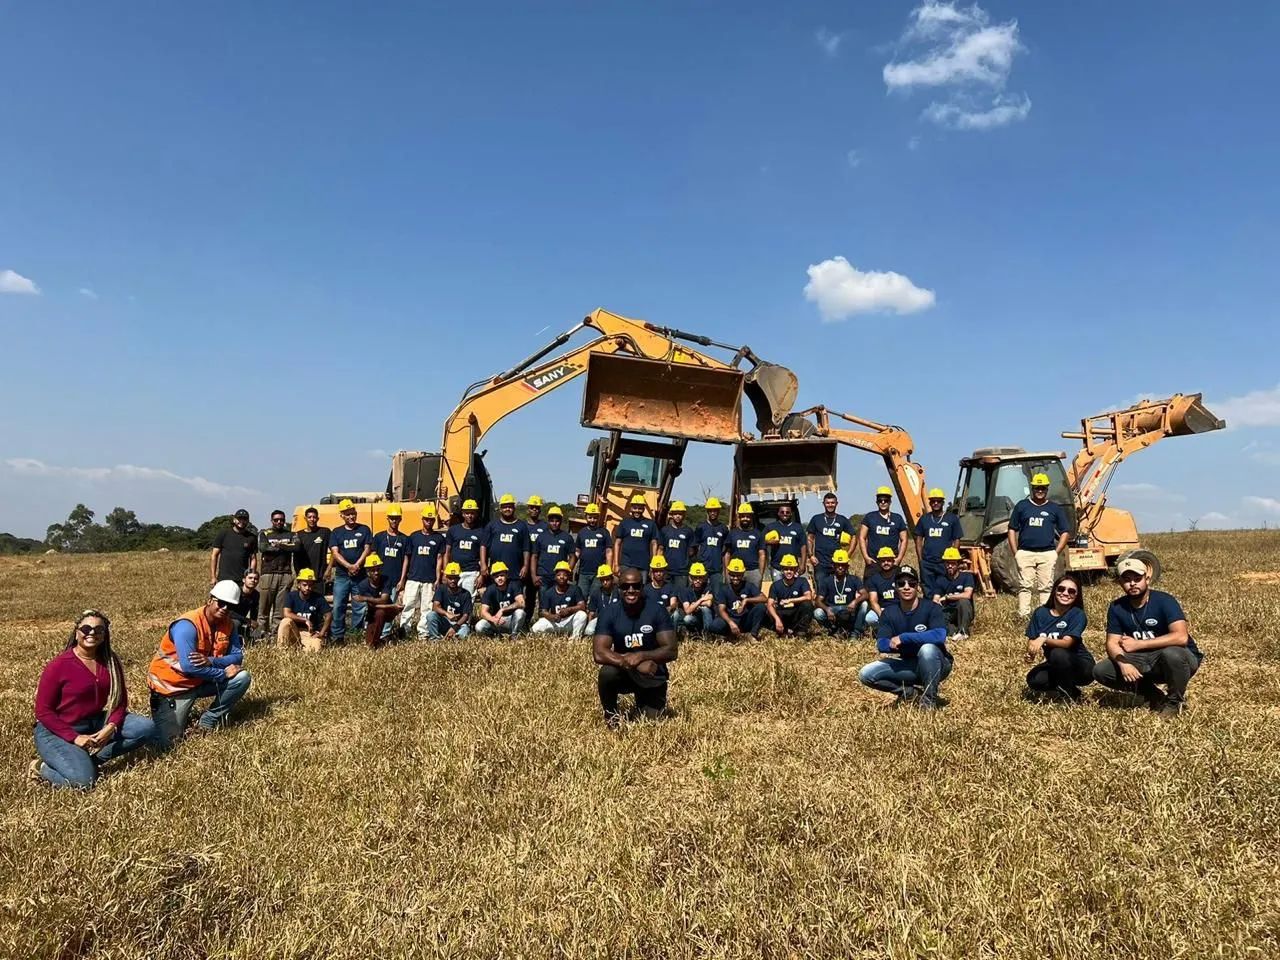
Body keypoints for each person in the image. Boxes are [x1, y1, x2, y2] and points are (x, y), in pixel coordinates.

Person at [30, 610, 159, 788]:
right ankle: (41, 768)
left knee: (146, 728)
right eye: (86, 628)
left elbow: (120, 702)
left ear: (105, 635)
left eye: (99, 629)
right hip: (57, 730)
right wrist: (75, 738)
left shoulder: (110, 662)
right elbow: (43, 712)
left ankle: (92, 761)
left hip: (95, 721)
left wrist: (110, 727)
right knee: (85, 782)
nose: (92, 633)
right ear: (77, 633)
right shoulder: (58, 665)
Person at [1093, 558, 1203, 716]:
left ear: (1147, 579)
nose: (1132, 584)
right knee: (1102, 670)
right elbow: (1112, 642)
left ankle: (1174, 702)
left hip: (1179, 659)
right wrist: (1123, 663)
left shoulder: (1165, 601)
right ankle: (1153, 695)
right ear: (1120, 582)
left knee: (1172, 654)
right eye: (1127, 580)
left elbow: (1181, 637)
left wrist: (1139, 645)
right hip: (1143, 659)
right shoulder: (1116, 607)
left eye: (1137, 579)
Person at [147, 580, 252, 746]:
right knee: (168, 744)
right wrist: (223, 673)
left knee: (242, 677)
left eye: (230, 606)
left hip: (200, 680)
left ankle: (209, 719)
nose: (225, 609)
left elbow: (238, 657)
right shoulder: (187, 625)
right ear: (210, 599)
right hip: (173, 688)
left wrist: (211, 661)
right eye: (221, 603)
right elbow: (189, 666)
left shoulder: (229, 625)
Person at [592, 568, 679, 728]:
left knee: (650, 725)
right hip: (624, 672)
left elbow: (671, 650)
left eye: (635, 586)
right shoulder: (609, 612)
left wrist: (641, 657)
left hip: (652, 674)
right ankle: (611, 717)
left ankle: (645, 700)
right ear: (619, 588)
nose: (630, 590)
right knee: (607, 672)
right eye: (625, 586)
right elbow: (599, 653)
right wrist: (634, 663)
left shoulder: (657, 610)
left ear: (642, 587)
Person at [858, 565, 952, 710]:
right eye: (901, 584)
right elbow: (882, 644)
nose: (906, 587)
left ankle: (928, 702)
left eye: (911, 583)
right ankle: (909, 693)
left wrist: (904, 638)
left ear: (918, 587)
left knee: (927, 649)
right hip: (909, 665)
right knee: (866, 673)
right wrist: (892, 643)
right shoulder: (889, 613)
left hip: (938, 664)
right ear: (896, 587)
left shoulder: (932, 607)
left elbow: (939, 636)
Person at [1008, 472, 1071, 617]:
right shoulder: (1022, 506)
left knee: (1046, 587)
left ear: (1047, 489)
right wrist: (1015, 552)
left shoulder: (1054, 508)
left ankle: (1044, 615)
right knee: (1024, 586)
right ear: (1032, 488)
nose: (1040, 491)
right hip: (1025, 553)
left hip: (1047, 554)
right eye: (1037, 488)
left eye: (1043, 488)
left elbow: (1065, 532)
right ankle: (1024, 615)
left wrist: (1056, 552)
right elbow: (1012, 529)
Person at [1025, 574, 1094, 701]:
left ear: (1077, 595)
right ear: (1054, 590)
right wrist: (1031, 651)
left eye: (1071, 591)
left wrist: (1044, 639)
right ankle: (1069, 689)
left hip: (1081, 666)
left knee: (1058, 653)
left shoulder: (1077, 614)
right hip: (1055, 662)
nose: (1065, 593)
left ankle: (1068, 695)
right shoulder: (1040, 613)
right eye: (1061, 589)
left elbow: (1067, 643)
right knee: (1034, 679)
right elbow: (1032, 639)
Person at [328, 499, 373, 643]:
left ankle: (356, 635)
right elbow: (335, 553)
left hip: (360, 577)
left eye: (353, 513)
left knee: (359, 606)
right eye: (347, 514)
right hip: (342, 576)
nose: (351, 516)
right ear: (342, 515)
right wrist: (349, 566)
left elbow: (367, 549)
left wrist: (357, 565)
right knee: (338, 606)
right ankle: (338, 636)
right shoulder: (336, 532)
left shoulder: (364, 529)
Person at [399, 504, 445, 639]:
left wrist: (438, 578)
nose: (429, 522)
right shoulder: (413, 537)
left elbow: (439, 560)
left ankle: (423, 633)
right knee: (408, 605)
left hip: (429, 579)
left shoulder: (438, 538)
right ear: (422, 519)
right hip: (413, 577)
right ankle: (404, 631)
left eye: (431, 520)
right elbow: (407, 558)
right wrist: (403, 578)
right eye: (426, 519)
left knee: (426, 608)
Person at [257, 509, 299, 635]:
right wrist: (286, 547)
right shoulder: (264, 533)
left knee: (280, 609)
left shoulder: (292, 534)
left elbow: (297, 547)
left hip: (285, 574)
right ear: (272, 521)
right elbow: (263, 548)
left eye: (281, 520)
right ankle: (261, 633)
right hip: (268, 573)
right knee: (263, 607)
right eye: (276, 520)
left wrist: (278, 546)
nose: (279, 522)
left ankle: (276, 634)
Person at [915, 489, 961, 596]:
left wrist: (952, 559)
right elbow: (919, 539)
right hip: (927, 563)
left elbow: (957, 539)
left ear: (943, 503)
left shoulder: (952, 519)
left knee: (946, 588)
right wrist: (920, 559)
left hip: (944, 563)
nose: (935, 503)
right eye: (933, 501)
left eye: (938, 501)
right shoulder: (924, 519)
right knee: (928, 591)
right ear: (930, 503)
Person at [813, 549, 868, 637]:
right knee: (818, 613)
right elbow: (818, 601)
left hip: (849, 609)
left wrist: (855, 602)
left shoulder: (854, 579)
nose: (840, 567)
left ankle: (855, 632)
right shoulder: (826, 581)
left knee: (864, 604)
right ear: (833, 565)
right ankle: (833, 630)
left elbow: (865, 594)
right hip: (832, 610)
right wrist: (827, 610)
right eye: (838, 565)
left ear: (847, 566)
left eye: (843, 565)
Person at [710, 558, 768, 641]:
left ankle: (753, 634)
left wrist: (747, 600)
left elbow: (764, 598)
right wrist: (730, 623)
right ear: (729, 574)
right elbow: (721, 610)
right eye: (733, 575)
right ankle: (729, 635)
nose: (735, 578)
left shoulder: (749, 585)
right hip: (731, 619)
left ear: (743, 574)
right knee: (714, 626)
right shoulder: (723, 589)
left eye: (738, 575)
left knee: (761, 607)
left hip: (745, 619)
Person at [352, 555, 402, 649]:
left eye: (378, 569)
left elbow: (384, 600)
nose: (376, 572)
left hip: (387, 612)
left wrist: (366, 598)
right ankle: (388, 638)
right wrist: (393, 606)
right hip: (375, 612)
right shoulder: (363, 585)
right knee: (369, 642)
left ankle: (375, 644)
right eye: (373, 570)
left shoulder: (386, 579)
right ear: (367, 572)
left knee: (380, 613)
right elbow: (372, 606)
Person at [483, 494, 530, 594]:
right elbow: (483, 546)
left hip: (515, 573)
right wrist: (483, 564)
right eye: (505, 507)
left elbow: (526, 548)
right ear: (500, 509)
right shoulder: (492, 525)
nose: (507, 509)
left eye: (510, 506)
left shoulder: (522, 526)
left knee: (516, 601)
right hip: (496, 573)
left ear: (514, 508)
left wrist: (525, 565)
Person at [807, 493, 855, 590]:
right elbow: (810, 538)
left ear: (837, 504)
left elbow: (854, 537)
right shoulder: (816, 519)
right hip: (821, 563)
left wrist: (848, 554)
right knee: (821, 588)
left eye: (832, 503)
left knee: (841, 587)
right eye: (828, 503)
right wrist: (811, 555)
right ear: (823, 504)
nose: (830, 505)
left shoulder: (842, 520)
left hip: (838, 562)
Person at [277, 568, 332, 652]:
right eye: (305, 585)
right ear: (298, 585)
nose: (307, 588)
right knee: (285, 621)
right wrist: (305, 620)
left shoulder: (318, 598)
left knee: (316, 649)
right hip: (294, 631)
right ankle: (281, 650)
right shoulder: (291, 596)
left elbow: (329, 615)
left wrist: (321, 632)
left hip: (309, 633)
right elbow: (286, 613)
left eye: (310, 585)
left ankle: (300, 647)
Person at [858, 486, 908, 574]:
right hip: (873, 562)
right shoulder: (869, 517)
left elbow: (904, 539)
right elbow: (862, 537)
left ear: (890, 501)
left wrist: (899, 558)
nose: (883, 502)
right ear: (877, 501)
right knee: (870, 587)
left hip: (891, 562)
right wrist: (866, 557)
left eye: (886, 500)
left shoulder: (898, 518)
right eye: (880, 500)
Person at [532, 561, 589, 638]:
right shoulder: (549, 592)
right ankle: (550, 637)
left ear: (568, 577)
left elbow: (582, 606)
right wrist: (552, 616)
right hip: (555, 622)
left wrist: (569, 609)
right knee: (535, 628)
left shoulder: (575, 589)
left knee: (582, 615)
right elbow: (542, 611)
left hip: (569, 621)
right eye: (559, 575)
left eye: (565, 575)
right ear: (555, 576)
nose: (562, 577)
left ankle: (575, 638)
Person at [931, 547, 975, 641]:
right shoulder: (940, 580)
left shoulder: (967, 577)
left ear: (958, 564)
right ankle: (952, 631)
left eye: (953, 563)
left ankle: (963, 632)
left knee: (963, 601)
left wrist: (947, 597)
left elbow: (967, 594)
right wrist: (936, 602)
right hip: (949, 612)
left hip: (963, 610)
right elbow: (936, 598)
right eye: (947, 563)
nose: (950, 566)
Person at [445, 499, 485, 596]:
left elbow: (483, 555)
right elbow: (447, 552)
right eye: (467, 513)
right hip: (454, 572)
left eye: (472, 513)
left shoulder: (481, 532)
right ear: (463, 514)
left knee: (468, 600)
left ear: (476, 514)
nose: (469, 516)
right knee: (451, 599)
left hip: (471, 572)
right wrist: (445, 572)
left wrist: (481, 575)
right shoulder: (453, 530)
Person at [766, 554, 814, 636]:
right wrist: (777, 619)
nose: (789, 572)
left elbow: (808, 596)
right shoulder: (775, 585)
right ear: (782, 570)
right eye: (786, 569)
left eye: (791, 569)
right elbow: (769, 604)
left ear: (795, 570)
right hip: (782, 614)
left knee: (808, 605)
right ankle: (782, 629)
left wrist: (790, 600)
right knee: (768, 611)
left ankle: (800, 630)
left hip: (796, 613)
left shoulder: (802, 581)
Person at [475, 561, 526, 636]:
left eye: (502, 575)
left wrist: (503, 609)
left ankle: (514, 635)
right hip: (496, 620)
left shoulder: (513, 585)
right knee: (479, 626)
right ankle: (497, 636)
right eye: (496, 577)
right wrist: (493, 619)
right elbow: (483, 612)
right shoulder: (490, 589)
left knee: (520, 613)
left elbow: (521, 603)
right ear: (493, 578)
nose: (499, 578)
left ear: (507, 575)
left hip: (512, 619)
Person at [210, 508, 258, 587]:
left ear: (248, 521)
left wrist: (250, 576)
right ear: (234, 520)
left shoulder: (251, 537)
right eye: (239, 518)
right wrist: (213, 577)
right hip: (224, 578)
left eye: (244, 519)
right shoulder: (224, 534)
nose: (242, 521)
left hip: (242, 579)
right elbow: (214, 555)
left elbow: (253, 558)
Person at [532, 506, 576, 591]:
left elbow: (572, 557)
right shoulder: (541, 537)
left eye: (557, 521)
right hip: (543, 577)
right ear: (548, 521)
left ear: (561, 521)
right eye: (552, 521)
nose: (554, 523)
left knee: (558, 602)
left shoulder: (567, 537)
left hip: (560, 577)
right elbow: (534, 556)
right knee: (544, 603)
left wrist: (568, 571)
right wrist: (534, 576)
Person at [427, 563, 474, 640]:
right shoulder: (441, 589)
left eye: (455, 578)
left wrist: (455, 627)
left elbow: (466, 615)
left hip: (459, 624)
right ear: (446, 577)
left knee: (464, 631)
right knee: (431, 615)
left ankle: (454, 638)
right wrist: (447, 614)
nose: (453, 580)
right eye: (450, 578)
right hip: (444, 621)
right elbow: (435, 607)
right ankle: (434, 639)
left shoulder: (465, 593)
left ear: (459, 578)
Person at [613, 495, 657, 574]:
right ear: (631, 508)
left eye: (640, 508)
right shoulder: (624, 523)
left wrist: (653, 564)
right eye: (635, 508)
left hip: (643, 566)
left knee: (641, 586)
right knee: (624, 586)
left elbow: (654, 544)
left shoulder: (651, 524)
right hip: (626, 564)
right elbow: (617, 543)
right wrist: (616, 564)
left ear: (643, 509)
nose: (637, 510)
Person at [575, 503, 612, 596]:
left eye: (595, 517)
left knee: (595, 597)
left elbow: (609, 552)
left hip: (599, 573)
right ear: (586, 517)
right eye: (590, 517)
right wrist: (572, 568)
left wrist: (608, 569)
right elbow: (577, 552)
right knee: (581, 597)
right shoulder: (582, 532)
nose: (592, 520)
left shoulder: (604, 532)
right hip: (583, 572)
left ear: (598, 517)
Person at [726, 503, 766, 590]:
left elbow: (762, 554)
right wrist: (726, 571)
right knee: (733, 598)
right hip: (735, 572)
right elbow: (727, 553)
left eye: (747, 516)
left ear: (751, 517)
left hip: (753, 571)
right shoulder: (732, 533)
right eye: (743, 516)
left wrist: (760, 574)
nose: (745, 518)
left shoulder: (758, 533)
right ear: (739, 517)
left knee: (755, 598)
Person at [765, 502, 807, 586]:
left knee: (793, 591)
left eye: (787, 512)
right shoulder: (771, 527)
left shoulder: (797, 527)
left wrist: (803, 564)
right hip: (777, 566)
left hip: (793, 567)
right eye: (782, 512)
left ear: (791, 513)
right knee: (778, 590)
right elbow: (762, 542)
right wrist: (769, 542)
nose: (785, 514)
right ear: (778, 513)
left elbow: (803, 546)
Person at [694, 497, 730, 594]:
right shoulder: (701, 527)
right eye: (711, 511)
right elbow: (695, 547)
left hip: (717, 569)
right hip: (702, 568)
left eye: (715, 510)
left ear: (718, 511)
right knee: (701, 593)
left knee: (717, 594)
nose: (713, 513)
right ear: (707, 511)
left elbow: (725, 549)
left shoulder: (723, 528)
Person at [658, 501, 695, 588]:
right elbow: (660, 550)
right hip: (666, 570)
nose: (678, 516)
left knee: (680, 597)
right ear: (672, 514)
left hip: (682, 572)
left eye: (680, 514)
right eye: (675, 513)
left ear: (684, 515)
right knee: (665, 596)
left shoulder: (689, 531)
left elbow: (692, 553)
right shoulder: (664, 530)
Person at [864, 547, 901, 634]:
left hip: (899, 608)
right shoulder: (873, 578)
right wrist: (882, 616)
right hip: (883, 609)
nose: (886, 563)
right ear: (879, 562)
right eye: (883, 561)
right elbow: (873, 601)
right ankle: (882, 631)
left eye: (888, 560)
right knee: (870, 618)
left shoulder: (900, 575)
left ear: (893, 561)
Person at [522, 495, 547, 616]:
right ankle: (524, 621)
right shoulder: (522, 526)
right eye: (532, 507)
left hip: (539, 566)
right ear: (528, 509)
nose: (534, 510)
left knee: (540, 597)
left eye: (537, 508)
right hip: (524, 566)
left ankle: (541, 621)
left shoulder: (545, 527)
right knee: (526, 597)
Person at [295, 506, 332, 586]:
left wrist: (328, 569)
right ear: (305, 518)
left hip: (319, 575)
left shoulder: (325, 532)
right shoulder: (299, 534)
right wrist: (298, 574)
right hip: (304, 576)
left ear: (318, 519)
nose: (312, 519)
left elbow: (334, 551)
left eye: (314, 517)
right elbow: (296, 558)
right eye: (309, 517)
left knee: (319, 598)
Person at [678, 562, 717, 635]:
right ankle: (695, 634)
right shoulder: (685, 591)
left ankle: (708, 635)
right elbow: (687, 610)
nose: (698, 580)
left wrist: (694, 605)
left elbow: (709, 603)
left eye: (700, 577)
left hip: (708, 618)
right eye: (695, 577)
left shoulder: (708, 587)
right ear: (690, 578)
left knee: (705, 609)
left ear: (704, 577)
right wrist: (701, 600)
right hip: (695, 619)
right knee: (687, 619)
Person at [586, 563, 619, 636]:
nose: (605, 582)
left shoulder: (618, 591)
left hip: (616, 619)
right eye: (602, 580)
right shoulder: (596, 592)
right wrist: (589, 624)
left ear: (612, 578)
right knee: (589, 631)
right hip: (601, 619)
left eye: (607, 579)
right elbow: (591, 612)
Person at [230, 569, 261, 642]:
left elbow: (254, 611)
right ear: (244, 580)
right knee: (236, 623)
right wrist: (247, 620)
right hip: (229, 618)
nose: (253, 580)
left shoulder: (256, 594)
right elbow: (229, 612)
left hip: (242, 619)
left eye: (255, 579)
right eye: (250, 578)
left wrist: (253, 623)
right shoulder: (236, 591)